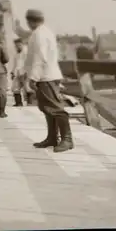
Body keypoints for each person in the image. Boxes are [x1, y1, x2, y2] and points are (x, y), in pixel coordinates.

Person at [24, 9, 72, 153]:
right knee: (47, 108)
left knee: (55, 108)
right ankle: (52, 137)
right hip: (46, 75)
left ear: (30, 21)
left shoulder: (39, 34)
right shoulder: (44, 32)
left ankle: (67, 139)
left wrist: (33, 77)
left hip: (46, 76)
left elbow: (40, 58)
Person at [11, 38, 34, 106]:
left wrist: (28, 72)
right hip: (18, 72)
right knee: (15, 88)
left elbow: (30, 63)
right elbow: (15, 63)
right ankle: (18, 103)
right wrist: (12, 72)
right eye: (16, 45)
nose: (17, 47)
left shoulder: (26, 51)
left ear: (22, 44)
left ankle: (30, 103)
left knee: (27, 88)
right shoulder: (16, 53)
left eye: (18, 45)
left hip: (25, 72)